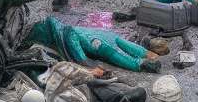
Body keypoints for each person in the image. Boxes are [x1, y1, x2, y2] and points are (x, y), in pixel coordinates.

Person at [28, 17, 163, 73]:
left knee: (111, 51)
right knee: (119, 44)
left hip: (94, 39)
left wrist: (87, 63)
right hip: (101, 34)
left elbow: (78, 51)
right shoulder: (64, 30)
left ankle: (139, 63)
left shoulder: (66, 32)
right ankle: (144, 55)